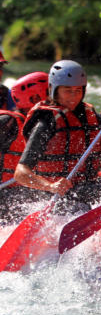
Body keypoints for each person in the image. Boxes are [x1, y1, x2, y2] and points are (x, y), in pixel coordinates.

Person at [14, 59, 101, 213]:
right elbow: (20, 173)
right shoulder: (47, 121)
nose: (73, 96)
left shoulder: (90, 115)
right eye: (67, 90)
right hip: (53, 197)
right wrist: (51, 186)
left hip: (86, 189)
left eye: (78, 90)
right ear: (53, 89)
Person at [0, 72, 48, 223]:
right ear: (34, 98)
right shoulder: (8, 123)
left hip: (27, 191)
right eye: (51, 94)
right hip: (6, 194)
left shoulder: (52, 122)